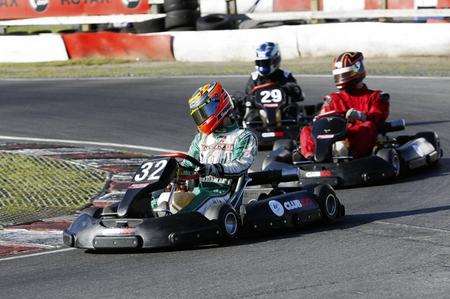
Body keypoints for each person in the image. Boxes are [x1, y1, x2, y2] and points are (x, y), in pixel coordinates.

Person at [153, 81, 258, 215]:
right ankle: (152, 218)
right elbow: (188, 166)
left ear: (219, 106)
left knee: (198, 202)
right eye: (199, 115)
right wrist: (172, 172)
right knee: (161, 197)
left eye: (204, 112)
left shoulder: (243, 136)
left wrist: (213, 168)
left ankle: (175, 224)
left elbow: (241, 166)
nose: (202, 118)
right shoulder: (201, 138)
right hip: (201, 190)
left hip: (223, 193)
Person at [298, 51, 390, 159]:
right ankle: (310, 157)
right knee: (307, 130)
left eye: (345, 73)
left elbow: (378, 118)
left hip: (357, 136)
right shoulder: (333, 98)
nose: (341, 77)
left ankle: (352, 155)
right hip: (334, 133)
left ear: (357, 69)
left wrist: (360, 116)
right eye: (339, 74)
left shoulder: (376, 96)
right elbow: (322, 119)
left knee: (367, 126)